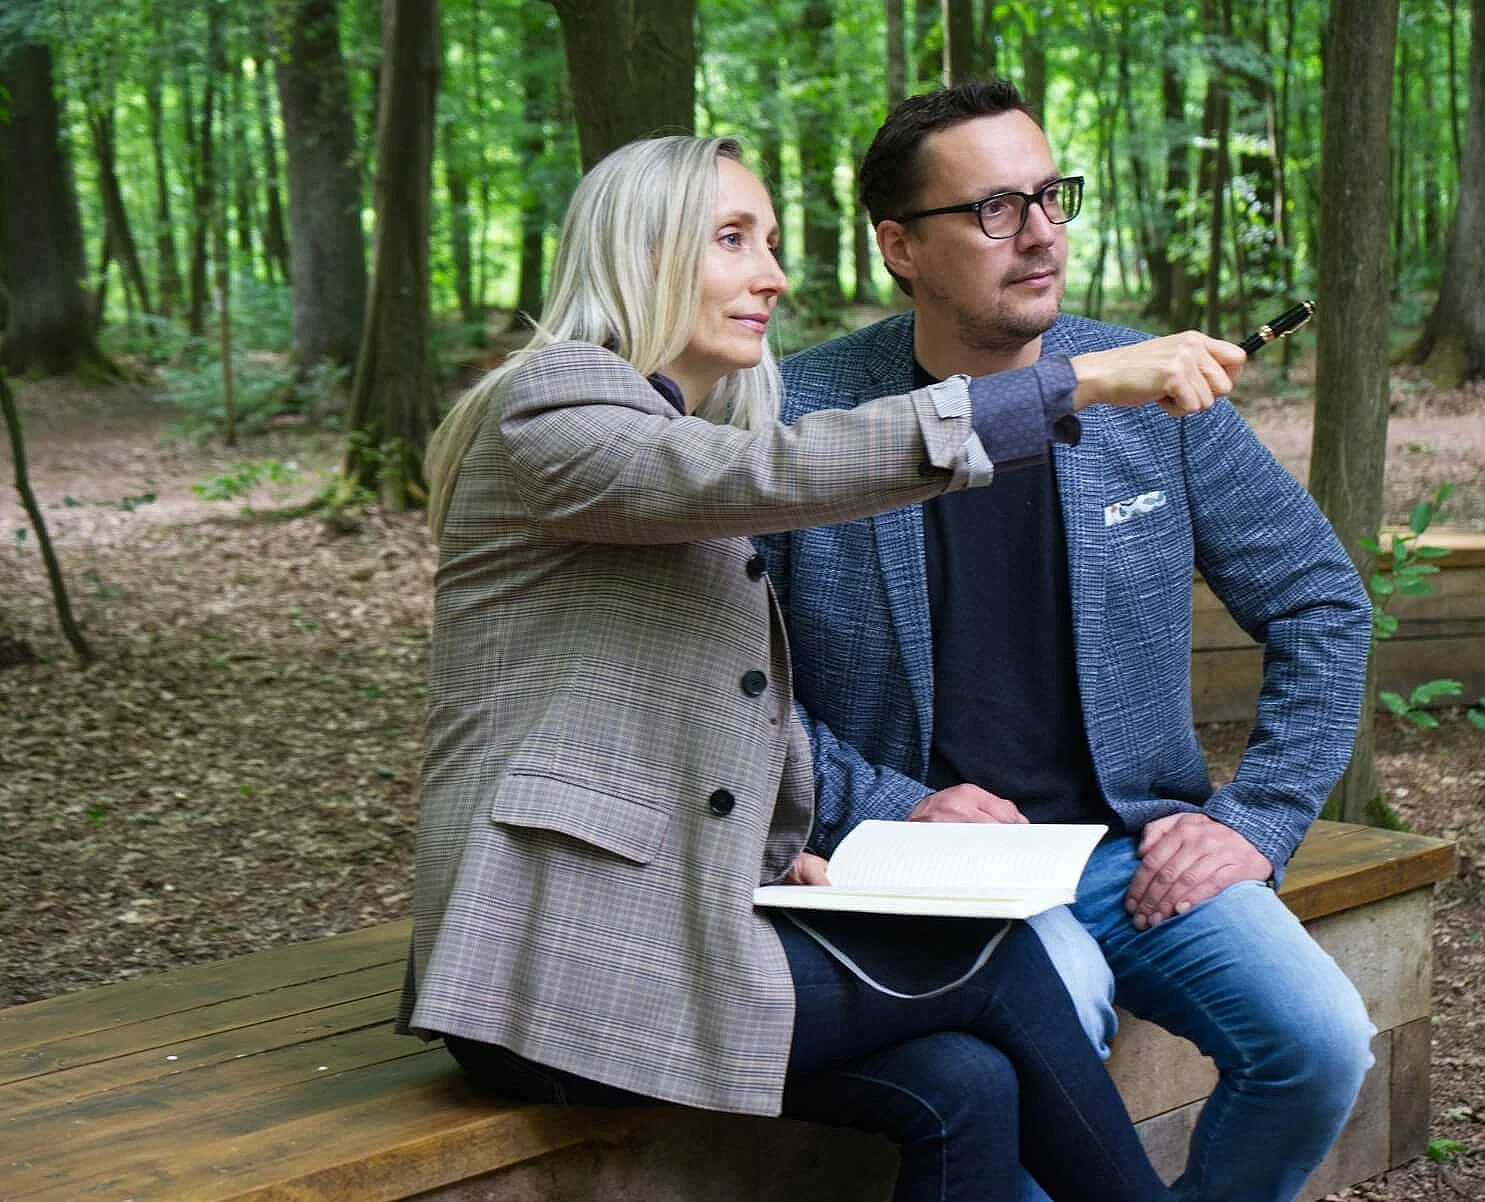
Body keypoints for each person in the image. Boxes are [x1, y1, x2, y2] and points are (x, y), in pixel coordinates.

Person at [397, 132, 1238, 1202]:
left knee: (964, 1082)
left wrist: (777, 836)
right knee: (998, 961)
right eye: (734, 239)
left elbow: (709, 698)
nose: (775, 275)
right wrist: (1078, 382)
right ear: (643, 251)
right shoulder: (553, 408)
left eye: (775, 242)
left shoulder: (670, 443)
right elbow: (778, 464)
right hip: (552, 972)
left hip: (667, 930)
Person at [759, 82, 1378, 1202]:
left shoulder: (1146, 383)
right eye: (996, 209)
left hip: (1129, 845)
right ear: (900, 245)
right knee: (1052, 1024)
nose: (1043, 232)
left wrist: (1262, 817)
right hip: (921, 868)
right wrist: (894, 803)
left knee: (1322, 1041)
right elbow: (741, 688)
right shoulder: (805, 418)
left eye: (1052, 196)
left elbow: (1320, 599)